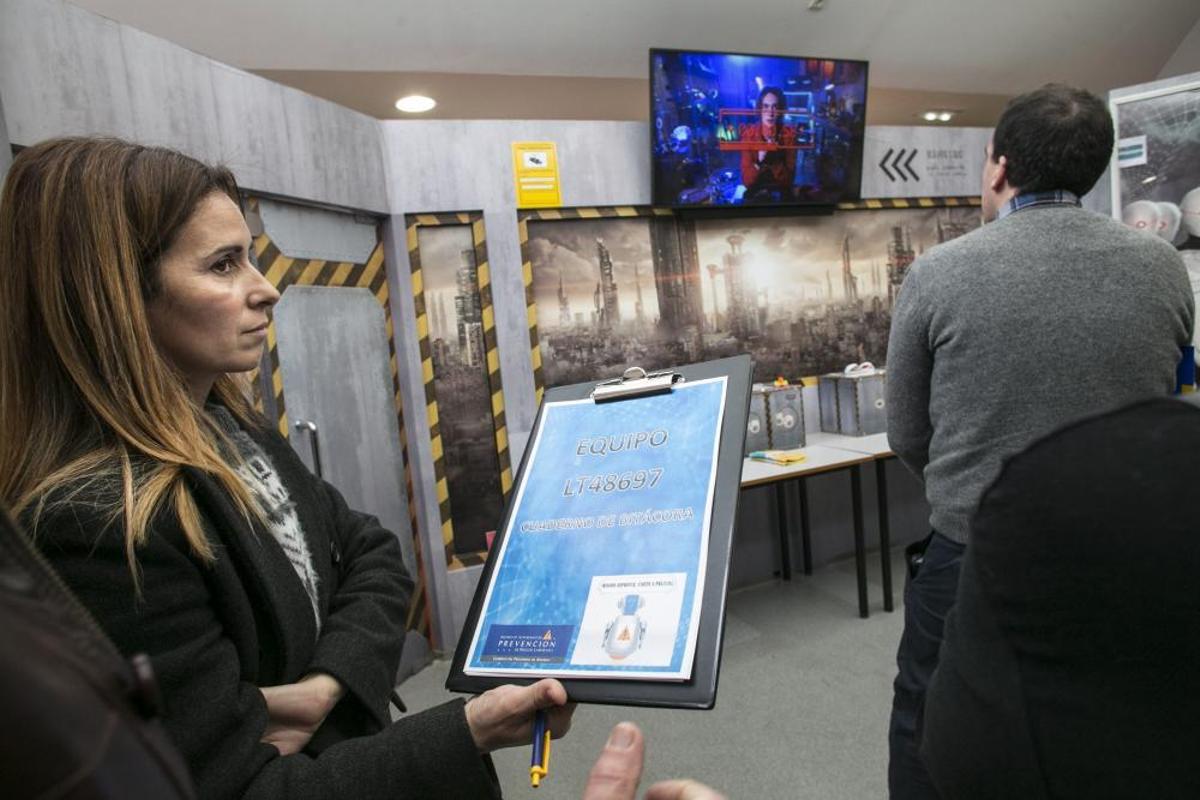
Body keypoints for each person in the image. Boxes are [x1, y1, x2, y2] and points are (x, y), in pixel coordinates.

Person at [0, 137, 573, 799]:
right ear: (117, 297)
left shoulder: (226, 424)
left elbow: (372, 554)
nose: (266, 289)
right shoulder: (96, 523)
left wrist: (323, 687)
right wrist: (466, 728)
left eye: (250, 257)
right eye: (223, 265)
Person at [884, 84, 1193, 800]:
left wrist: (964, 487)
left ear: (997, 166)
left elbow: (906, 431)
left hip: (975, 550)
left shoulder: (939, 272)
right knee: (1121, 717)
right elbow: (1171, 394)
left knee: (929, 725)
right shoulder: (1160, 265)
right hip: (1133, 547)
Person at [921, 397, 1200, 799]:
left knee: (930, 686)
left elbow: (908, 432)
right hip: (1157, 503)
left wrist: (949, 495)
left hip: (998, 525)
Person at [739, 86, 798, 201]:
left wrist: (774, 161)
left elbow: (789, 181)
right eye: (765, 106)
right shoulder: (748, 136)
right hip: (755, 194)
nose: (770, 113)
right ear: (759, 109)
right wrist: (759, 162)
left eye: (775, 107)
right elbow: (746, 181)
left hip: (781, 194)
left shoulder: (789, 137)